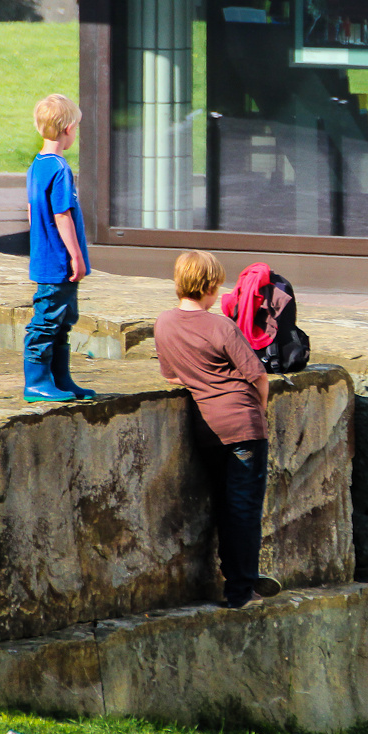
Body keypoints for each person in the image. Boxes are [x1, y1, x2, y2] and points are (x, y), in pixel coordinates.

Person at [154, 250, 282, 610]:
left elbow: (170, 375)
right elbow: (258, 376)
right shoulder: (222, 326)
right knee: (243, 510)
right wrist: (258, 410)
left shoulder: (163, 323)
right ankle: (241, 590)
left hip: (206, 429)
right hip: (242, 426)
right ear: (210, 287)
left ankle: (237, 579)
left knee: (224, 506)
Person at [23, 93, 93, 403]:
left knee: (63, 320)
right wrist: (76, 255)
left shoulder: (37, 165)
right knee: (47, 321)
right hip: (58, 262)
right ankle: (37, 382)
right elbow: (61, 215)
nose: (75, 133)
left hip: (45, 258)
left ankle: (60, 379)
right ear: (66, 130)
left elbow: (30, 210)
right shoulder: (60, 169)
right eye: (76, 127)